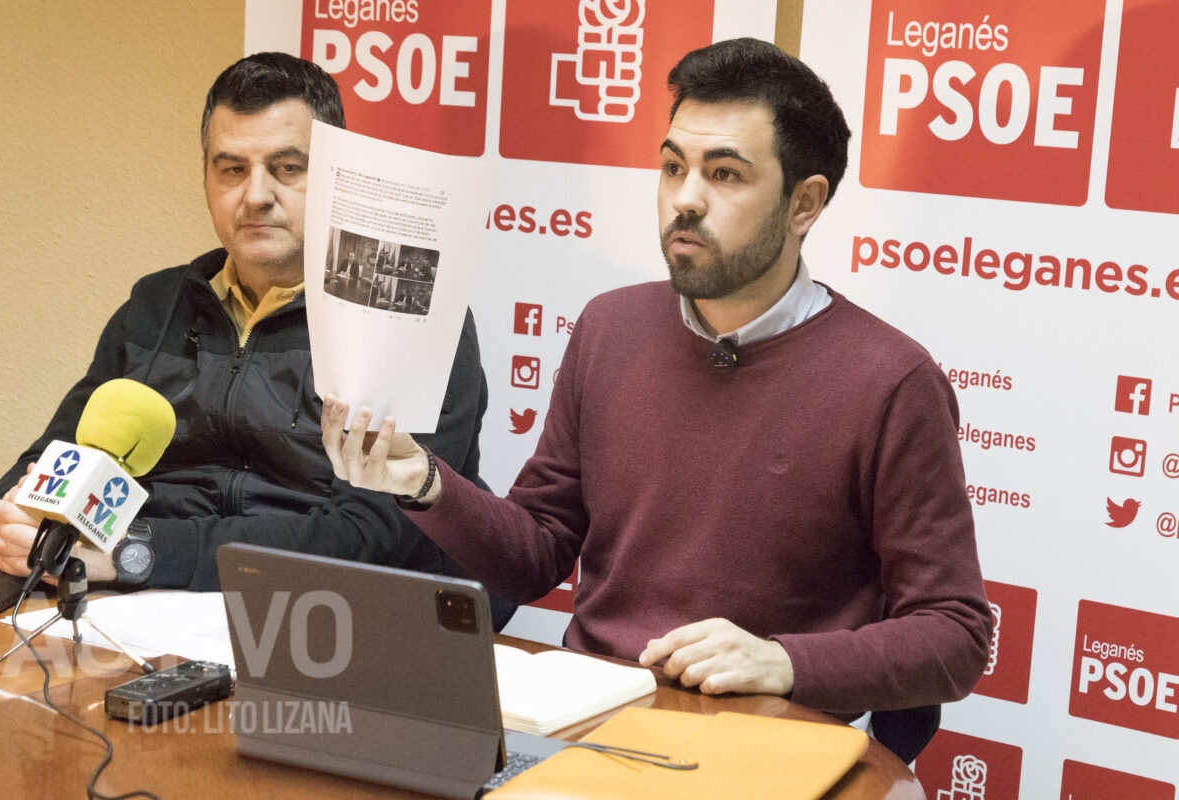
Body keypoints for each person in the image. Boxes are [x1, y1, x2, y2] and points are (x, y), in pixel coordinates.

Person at [322, 38, 991, 759]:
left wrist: (785, 662)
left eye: (725, 174)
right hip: (590, 726)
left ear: (806, 203)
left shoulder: (890, 380)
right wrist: (419, 481)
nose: (686, 199)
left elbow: (955, 631)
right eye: (673, 167)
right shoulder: (609, 327)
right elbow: (537, 552)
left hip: (767, 744)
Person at [0, 52, 489, 597]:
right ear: (205, 174)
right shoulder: (158, 304)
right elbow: (55, 458)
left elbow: (368, 536)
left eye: (288, 168)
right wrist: (19, 521)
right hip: (136, 600)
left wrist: (138, 552)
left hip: (318, 611)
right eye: (232, 169)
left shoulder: (402, 322)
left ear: (340, 177)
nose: (256, 196)